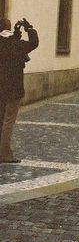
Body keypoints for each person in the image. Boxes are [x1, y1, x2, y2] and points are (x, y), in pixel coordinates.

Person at [0, 17, 39, 163]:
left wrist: (15, 34)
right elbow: (34, 43)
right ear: (8, 27)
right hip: (14, 89)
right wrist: (29, 28)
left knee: (1, 120)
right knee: (8, 121)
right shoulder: (16, 44)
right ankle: (4, 154)